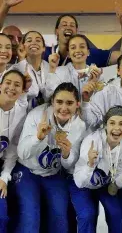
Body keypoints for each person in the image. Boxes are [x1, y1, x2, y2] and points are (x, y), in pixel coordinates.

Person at [9, 82, 86, 233]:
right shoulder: (37, 115)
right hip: (27, 170)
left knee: (60, 219)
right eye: (59, 102)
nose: (64, 108)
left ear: (77, 104)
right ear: (52, 101)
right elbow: (22, 153)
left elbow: (69, 165)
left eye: (69, 103)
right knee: (30, 219)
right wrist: (37, 138)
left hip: (52, 174)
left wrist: (66, 154)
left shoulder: (80, 126)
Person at [73, 106, 122, 233]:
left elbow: (117, 183)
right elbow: (79, 182)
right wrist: (90, 164)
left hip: (105, 184)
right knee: (87, 215)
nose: (117, 128)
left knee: (116, 213)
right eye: (112, 123)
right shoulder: (91, 141)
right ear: (105, 125)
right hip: (82, 185)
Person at [43, 9, 122, 67]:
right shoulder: (43, 53)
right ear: (56, 31)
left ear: (76, 31)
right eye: (64, 25)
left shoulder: (88, 54)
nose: (68, 27)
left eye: (72, 25)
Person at [0, 70, 28, 233]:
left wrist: (4, 177)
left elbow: (12, 149)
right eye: (8, 83)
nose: (11, 87)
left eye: (17, 85)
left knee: (2, 217)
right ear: (0, 85)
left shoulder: (20, 113)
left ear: (23, 91)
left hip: (2, 164)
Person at [45, 34, 103, 99]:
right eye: (73, 48)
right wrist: (52, 69)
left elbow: (101, 102)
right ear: (68, 54)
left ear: (88, 52)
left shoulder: (96, 75)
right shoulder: (59, 72)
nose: (78, 51)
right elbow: (49, 96)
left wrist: (93, 85)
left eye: (82, 46)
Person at [12, 30, 50, 109]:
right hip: (22, 116)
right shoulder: (15, 70)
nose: (34, 43)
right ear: (23, 46)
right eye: (29, 40)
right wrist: (21, 59)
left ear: (44, 48)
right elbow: (31, 92)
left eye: (38, 40)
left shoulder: (51, 68)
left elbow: (51, 94)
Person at [0, 0, 23, 65]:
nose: (14, 42)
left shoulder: (28, 65)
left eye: (19, 39)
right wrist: (5, 6)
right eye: (10, 37)